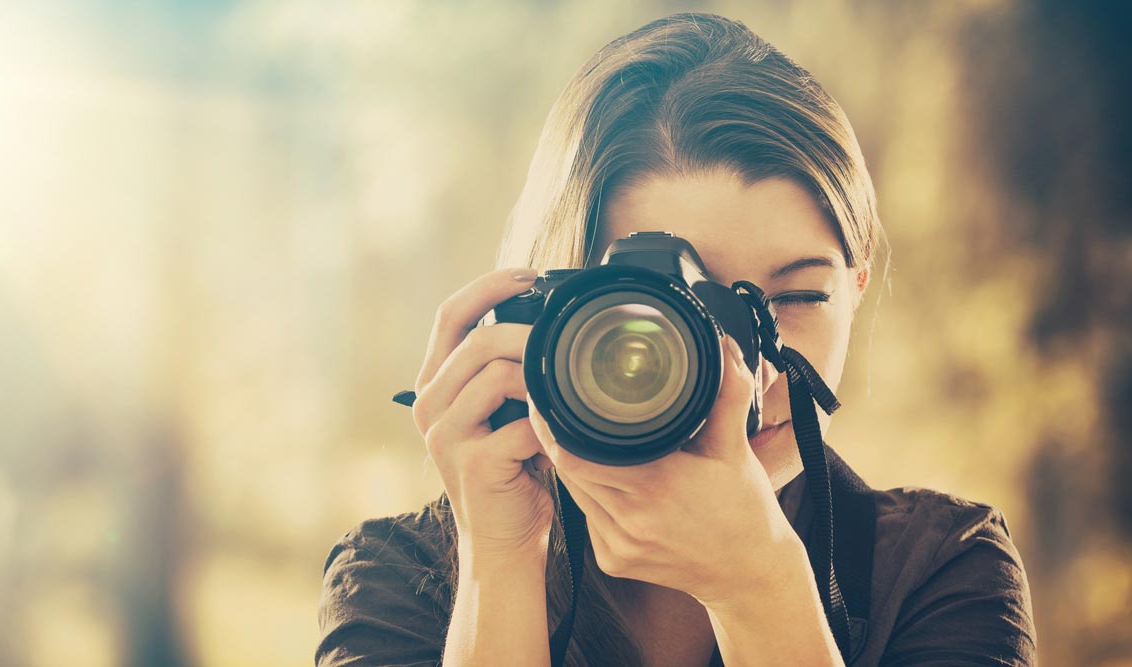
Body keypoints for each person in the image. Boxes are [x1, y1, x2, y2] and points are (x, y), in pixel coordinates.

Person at [316, 12, 1035, 666]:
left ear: (855, 288)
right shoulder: (398, 582)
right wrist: (501, 559)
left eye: (795, 298)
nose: (743, 379)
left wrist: (761, 583)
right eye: (678, 308)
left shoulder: (942, 569)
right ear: (554, 315)